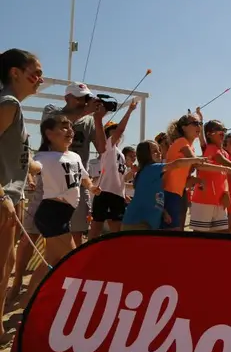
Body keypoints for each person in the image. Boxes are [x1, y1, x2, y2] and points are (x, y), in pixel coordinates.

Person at [21, 116, 101, 308]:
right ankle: (77, 303)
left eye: (70, 127)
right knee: (74, 259)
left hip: (63, 215)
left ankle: (27, 303)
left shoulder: (74, 156)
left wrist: (91, 187)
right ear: (49, 134)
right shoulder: (44, 157)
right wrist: (24, 148)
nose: (70, 131)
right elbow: (33, 167)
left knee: (50, 261)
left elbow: (84, 177)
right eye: (63, 128)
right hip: (52, 213)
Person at [22, 81, 107, 247]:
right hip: (48, 183)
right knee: (31, 232)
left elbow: (102, 148)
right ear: (67, 98)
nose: (84, 102)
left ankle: (66, 268)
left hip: (76, 185)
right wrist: (85, 112)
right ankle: (18, 274)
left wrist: (97, 119)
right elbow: (54, 123)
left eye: (86, 98)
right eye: (80, 98)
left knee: (74, 232)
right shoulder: (51, 110)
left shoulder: (88, 120)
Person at [0, 49, 43, 340]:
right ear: (15, 72)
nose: (39, 79)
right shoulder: (9, 103)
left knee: (7, 266)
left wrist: (35, 166)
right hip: (4, 198)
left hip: (13, 198)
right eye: (35, 72)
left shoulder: (13, 106)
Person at [122, 140, 217, 230]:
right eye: (155, 151)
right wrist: (196, 160)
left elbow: (150, 198)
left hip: (143, 224)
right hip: (137, 224)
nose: (159, 153)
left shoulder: (150, 173)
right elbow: (176, 164)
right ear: (145, 155)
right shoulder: (151, 168)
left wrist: (163, 212)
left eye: (159, 150)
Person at [88, 100, 138, 240]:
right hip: (105, 192)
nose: (117, 132)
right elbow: (121, 130)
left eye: (116, 130)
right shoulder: (108, 146)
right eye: (113, 130)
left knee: (117, 230)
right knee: (96, 228)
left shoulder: (120, 154)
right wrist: (129, 110)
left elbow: (122, 178)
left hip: (117, 195)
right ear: (108, 133)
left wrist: (132, 172)